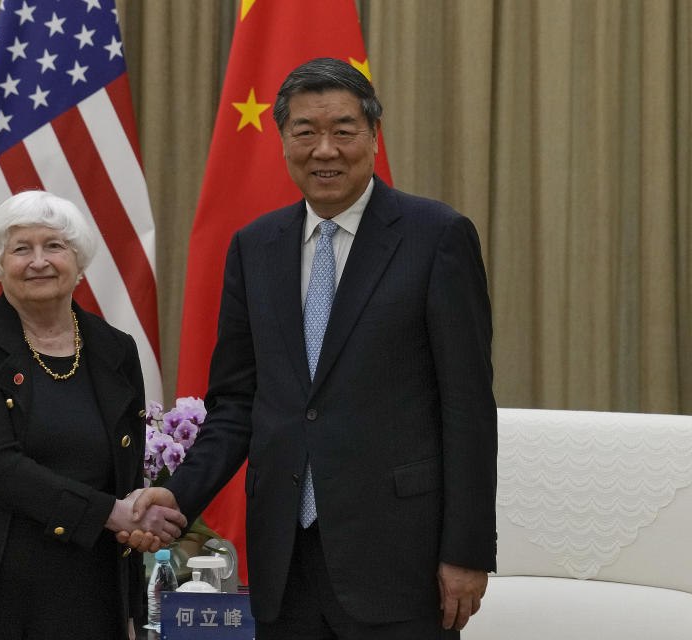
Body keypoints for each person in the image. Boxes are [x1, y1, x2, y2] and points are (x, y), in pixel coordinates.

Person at [123, 58, 497, 639]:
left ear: (374, 137)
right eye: (305, 132)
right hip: (283, 558)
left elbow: (467, 407)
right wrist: (175, 497)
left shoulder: (436, 237)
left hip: (401, 558)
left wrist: (468, 551)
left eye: (344, 131)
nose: (325, 149)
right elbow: (237, 403)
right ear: (283, 141)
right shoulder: (254, 246)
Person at [0, 190, 187, 640]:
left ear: (78, 260)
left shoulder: (114, 348)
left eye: (54, 246)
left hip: (86, 589)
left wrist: (134, 541)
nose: (38, 261)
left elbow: (124, 471)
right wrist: (112, 514)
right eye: (21, 249)